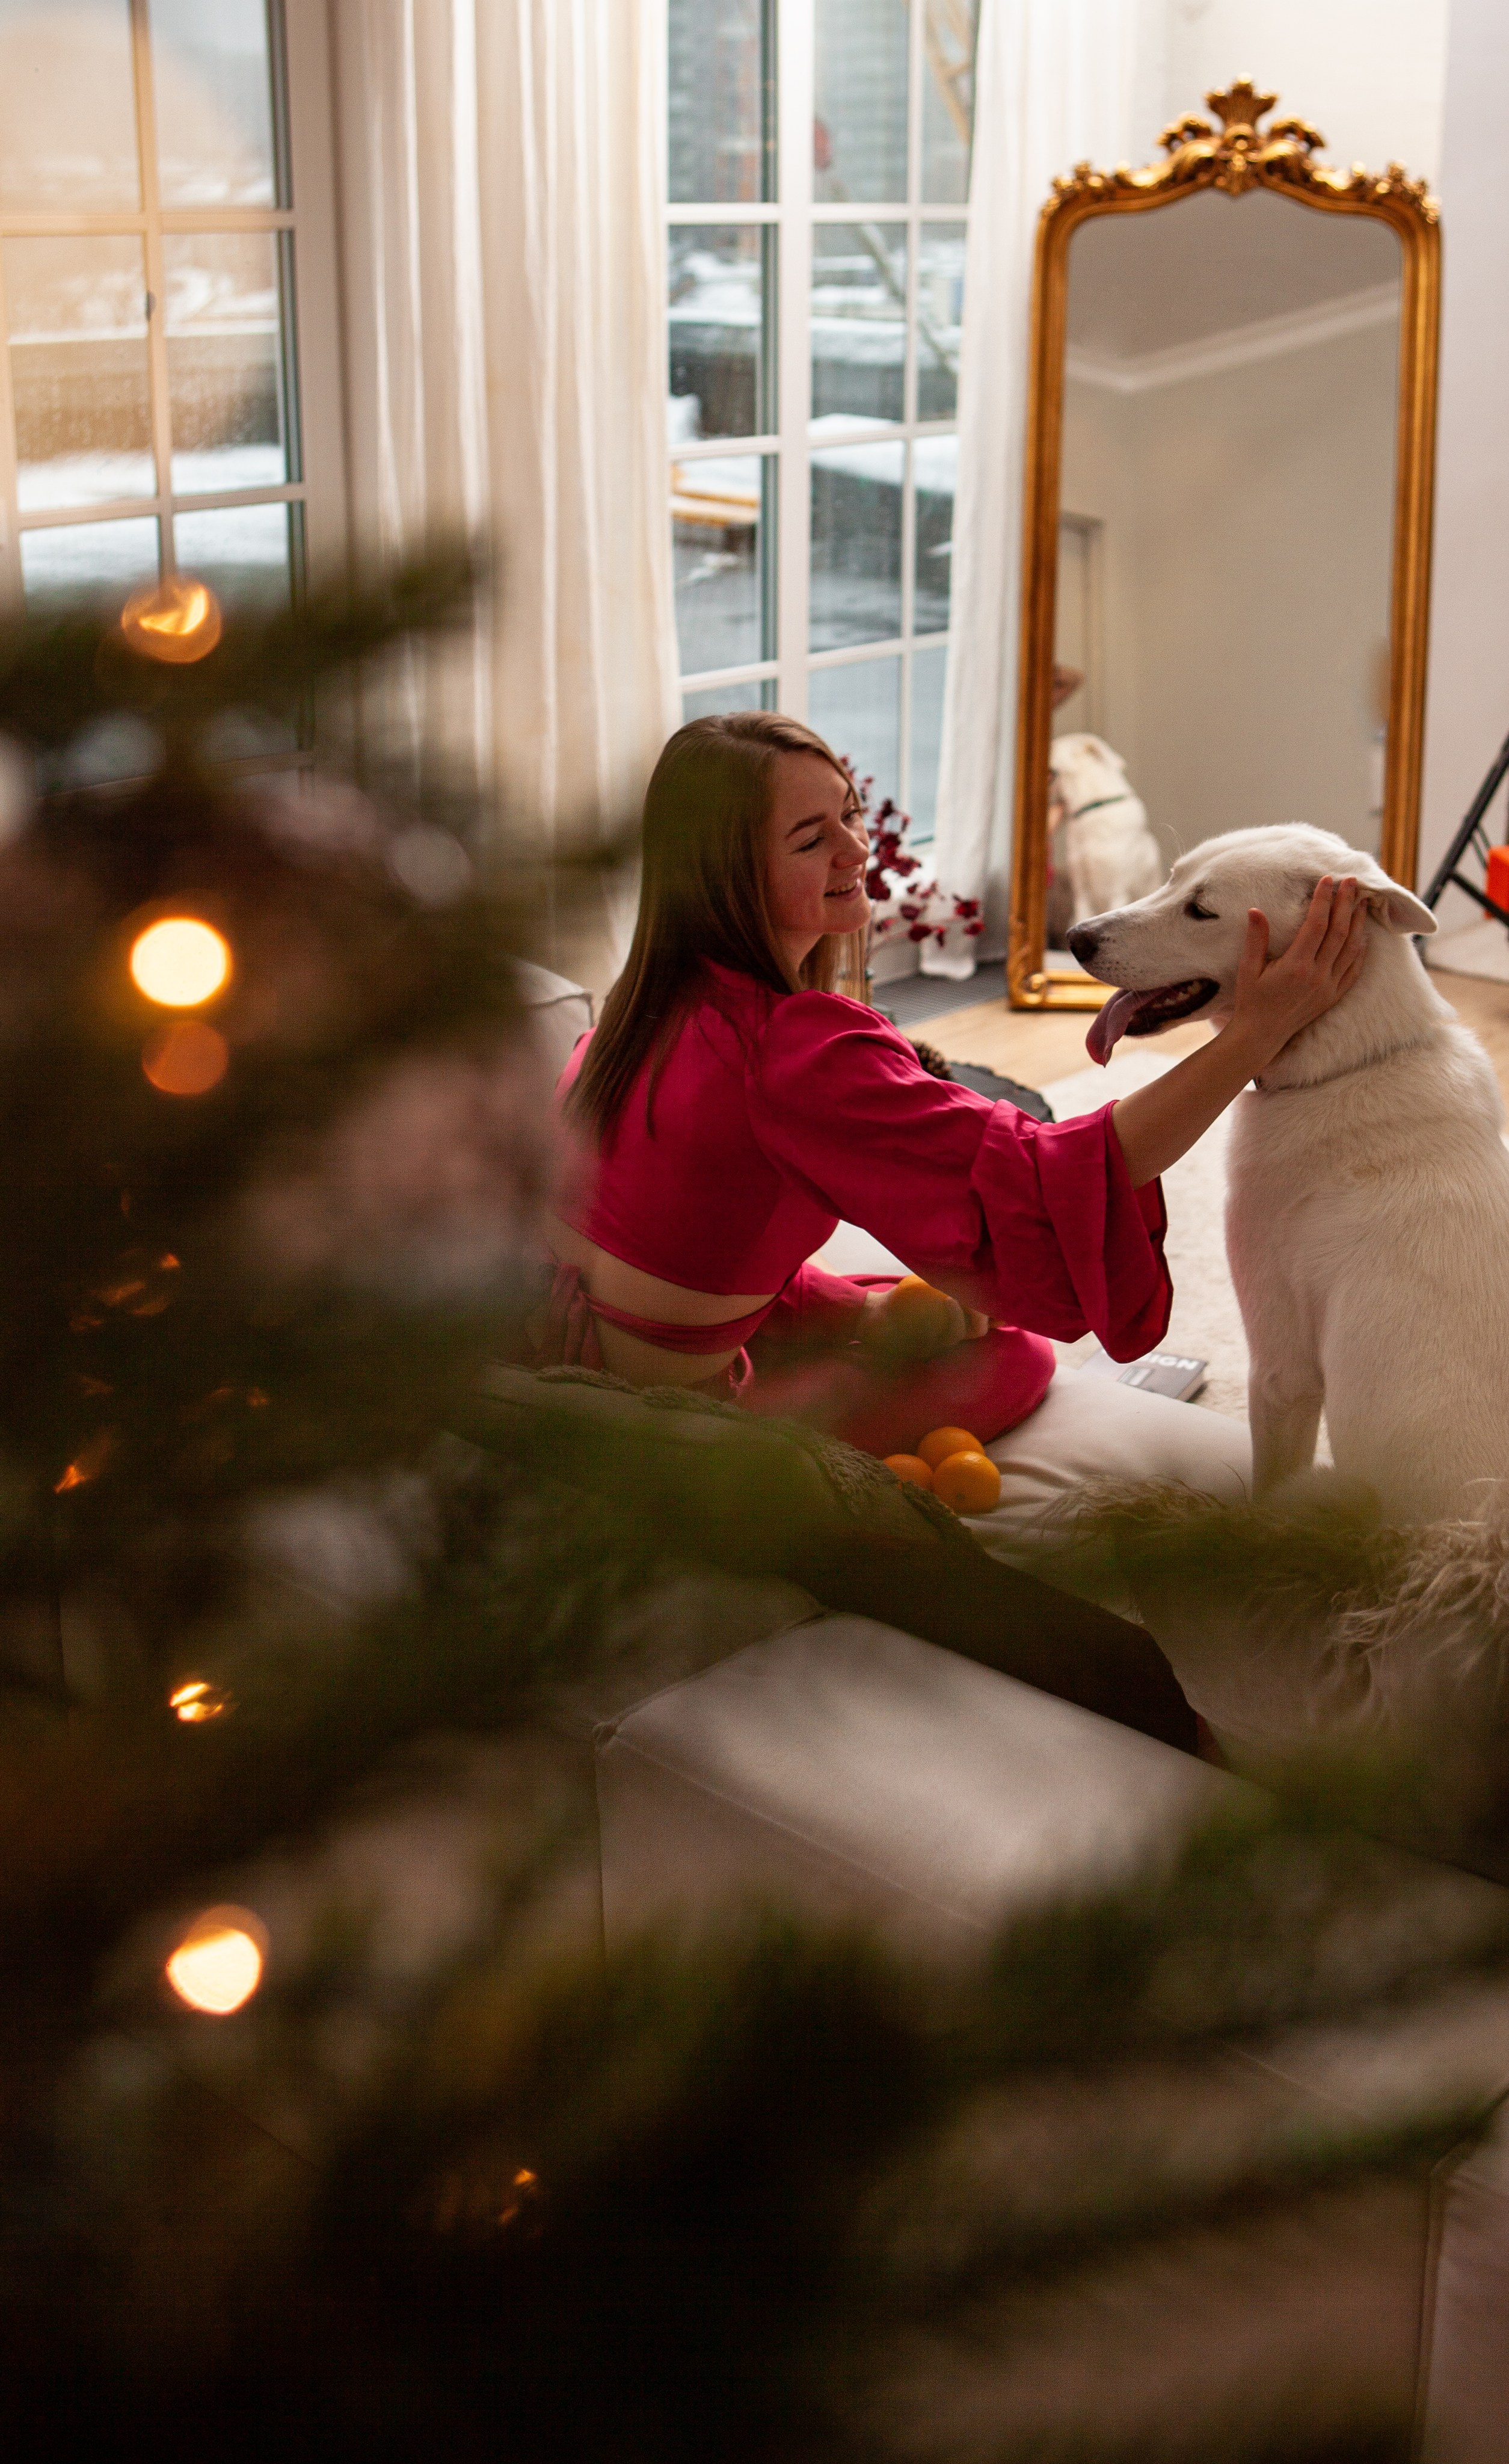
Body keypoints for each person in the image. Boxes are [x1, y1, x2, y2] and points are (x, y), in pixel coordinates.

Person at [544, 712, 1365, 1462]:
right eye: (809, 839)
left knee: (912, 1300)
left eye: (849, 813)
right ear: (727, 873)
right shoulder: (789, 1049)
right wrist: (1258, 1029)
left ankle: (860, 1321)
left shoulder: (643, 1002)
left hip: (572, 1336)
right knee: (1016, 1357)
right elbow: (1061, 1173)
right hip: (678, 1425)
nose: (856, 851)